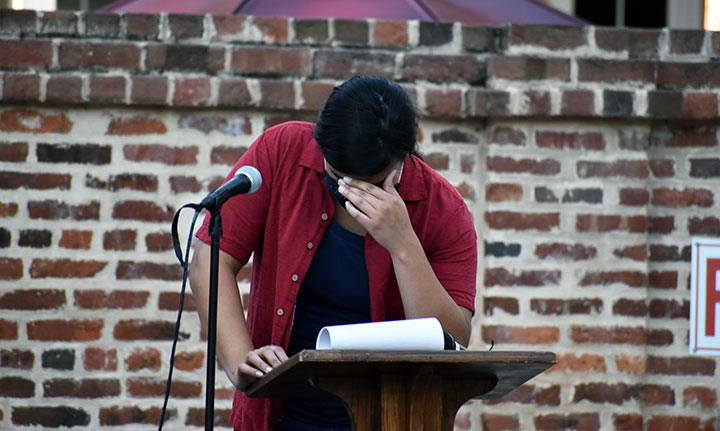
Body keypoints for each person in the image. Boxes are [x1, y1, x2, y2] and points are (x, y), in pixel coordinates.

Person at [189, 76, 478, 431]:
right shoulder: (282, 151)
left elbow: (452, 339)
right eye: (337, 178)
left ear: (403, 158)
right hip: (278, 414)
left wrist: (403, 244)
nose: (349, 192)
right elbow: (210, 260)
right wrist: (240, 362)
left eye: (370, 185)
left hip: (389, 416)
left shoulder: (444, 209)